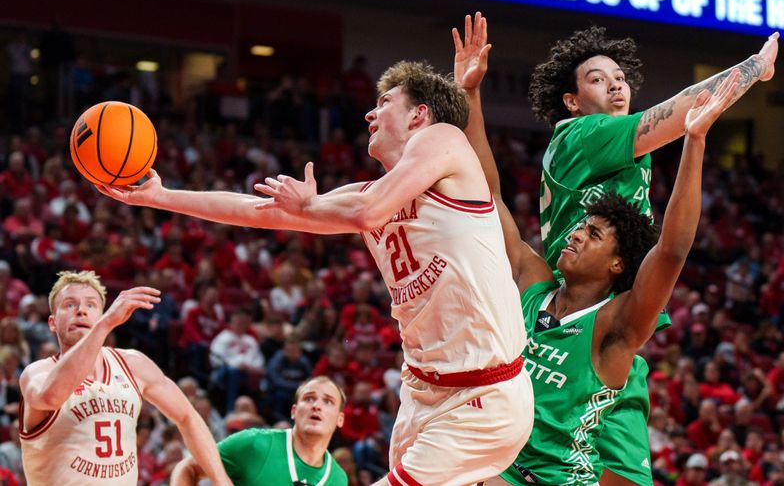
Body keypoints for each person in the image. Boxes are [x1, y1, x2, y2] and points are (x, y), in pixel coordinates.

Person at [98, 60, 534, 485]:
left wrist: (309, 206)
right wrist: (161, 196)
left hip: (483, 393)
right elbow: (259, 214)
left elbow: (368, 212)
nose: (370, 112)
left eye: (384, 101)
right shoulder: (363, 194)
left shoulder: (443, 139)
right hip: (423, 391)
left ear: (419, 114)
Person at [453, 12, 778, 486]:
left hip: (605, 335)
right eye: (597, 78)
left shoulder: (609, 312)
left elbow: (670, 249)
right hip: (593, 318)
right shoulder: (586, 132)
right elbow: (488, 198)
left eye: (621, 77)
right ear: (572, 101)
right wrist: (752, 70)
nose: (616, 86)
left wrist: (470, 96)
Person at [18, 270, 232, 485]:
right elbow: (51, 397)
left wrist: (222, 481)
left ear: (100, 314)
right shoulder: (37, 373)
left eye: (91, 305)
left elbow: (188, 417)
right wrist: (104, 325)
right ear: (53, 323)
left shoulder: (133, 365)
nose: (81, 310)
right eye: (70, 305)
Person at [171, 375, 349, 485]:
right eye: (309, 398)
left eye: (328, 402)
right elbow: (188, 468)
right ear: (294, 411)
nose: (317, 406)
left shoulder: (338, 479)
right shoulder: (255, 444)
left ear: (340, 419)